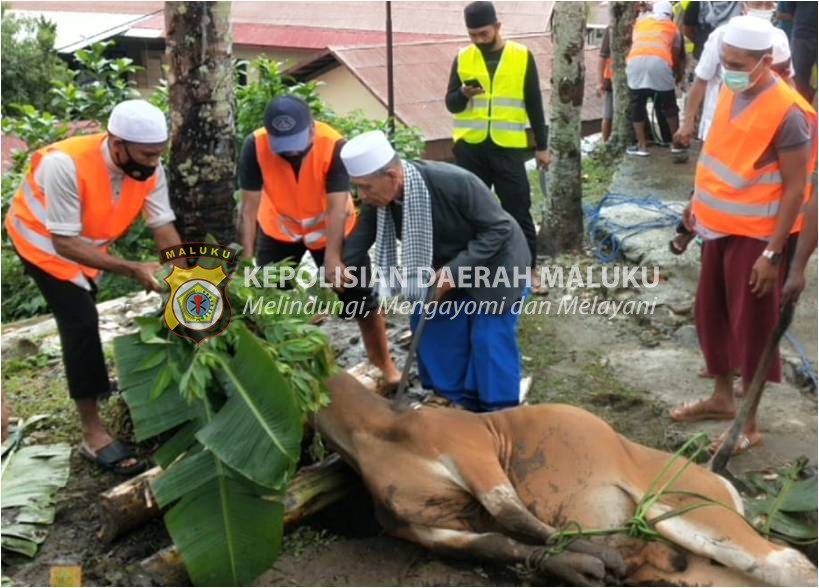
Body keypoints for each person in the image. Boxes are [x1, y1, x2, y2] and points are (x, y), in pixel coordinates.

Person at [4, 100, 182, 475]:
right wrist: (133, 268)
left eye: (158, 155)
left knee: (87, 308)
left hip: (87, 246)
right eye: (147, 154)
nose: (153, 162)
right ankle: (93, 435)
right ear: (117, 143)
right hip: (43, 244)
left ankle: (93, 380)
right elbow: (64, 243)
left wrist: (188, 285)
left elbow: (164, 229)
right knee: (81, 323)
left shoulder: (149, 166)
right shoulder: (64, 163)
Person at [670, 17, 817, 457]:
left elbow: (797, 189)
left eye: (738, 63)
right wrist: (694, 204)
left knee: (752, 326)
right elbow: (718, 154)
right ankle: (722, 395)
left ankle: (748, 424)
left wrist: (775, 255)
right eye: (725, 62)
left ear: (765, 62)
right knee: (711, 312)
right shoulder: (733, 92)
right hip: (716, 226)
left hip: (758, 236)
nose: (729, 70)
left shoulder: (789, 114)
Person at [339, 130, 531, 412]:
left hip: (497, 262)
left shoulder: (453, 182)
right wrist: (345, 268)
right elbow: (359, 241)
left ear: (392, 175)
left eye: (366, 187)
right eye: (357, 187)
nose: (362, 196)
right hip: (443, 265)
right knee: (427, 323)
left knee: (487, 335)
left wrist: (453, 273)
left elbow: (499, 229)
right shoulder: (379, 201)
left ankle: (498, 410)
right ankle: (450, 395)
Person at [237, 95, 401, 387]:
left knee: (358, 293)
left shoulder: (334, 145)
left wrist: (333, 258)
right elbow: (248, 210)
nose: (290, 153)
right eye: (282, 146)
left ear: (312, 128)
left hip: (331, 228)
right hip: (281, 229)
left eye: (297, 143)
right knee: (268, 300)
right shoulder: (255, 146)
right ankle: (281, 369)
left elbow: (337, 208)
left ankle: (384, 365)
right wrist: (247, 262)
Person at [445, 0, 548, 284]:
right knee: (470, 211)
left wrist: (542, 146)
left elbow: (534, 104)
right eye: (473, 35)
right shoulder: (463, 57)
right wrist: (463, 94)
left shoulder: (521, 56)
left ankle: (528, 270)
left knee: (518, 208)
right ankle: (474, 272)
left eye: (484, 34)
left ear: (497, 27)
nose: (478, 40)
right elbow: (451, 104)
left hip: (508, 147)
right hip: (471, 148)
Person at [675, 1, 794, 146]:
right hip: (718, 121)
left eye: (768, 5)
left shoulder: (779, 38)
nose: (763, 9)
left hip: (762, 123)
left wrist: (794, 113)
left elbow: (787, 80)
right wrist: (688, 122)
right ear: (744, 6)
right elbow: (701, 80)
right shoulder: (721, 35)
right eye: (757, 4)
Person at [625, 1, 686, 156]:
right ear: (670, 14)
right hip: (659, 63)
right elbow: (675, 55)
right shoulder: (673, 29)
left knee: (637, 104)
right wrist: (677, 74)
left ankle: (642, 146)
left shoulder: (640, 23)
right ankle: (675, 144)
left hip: (634, 63)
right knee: (669, 105)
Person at [780, 1, 818, 103]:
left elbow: (789, 7)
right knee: (799, 79)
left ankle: (800, 108)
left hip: (803, 30)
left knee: (799, 78)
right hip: (803, 32)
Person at [598, 27, 614, 143]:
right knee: (608, 115)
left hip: (633, 77)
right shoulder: (611, 30)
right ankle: (605, 142)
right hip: (612, 79)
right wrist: (600, 82)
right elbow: (602, 57)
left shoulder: (639, 25)